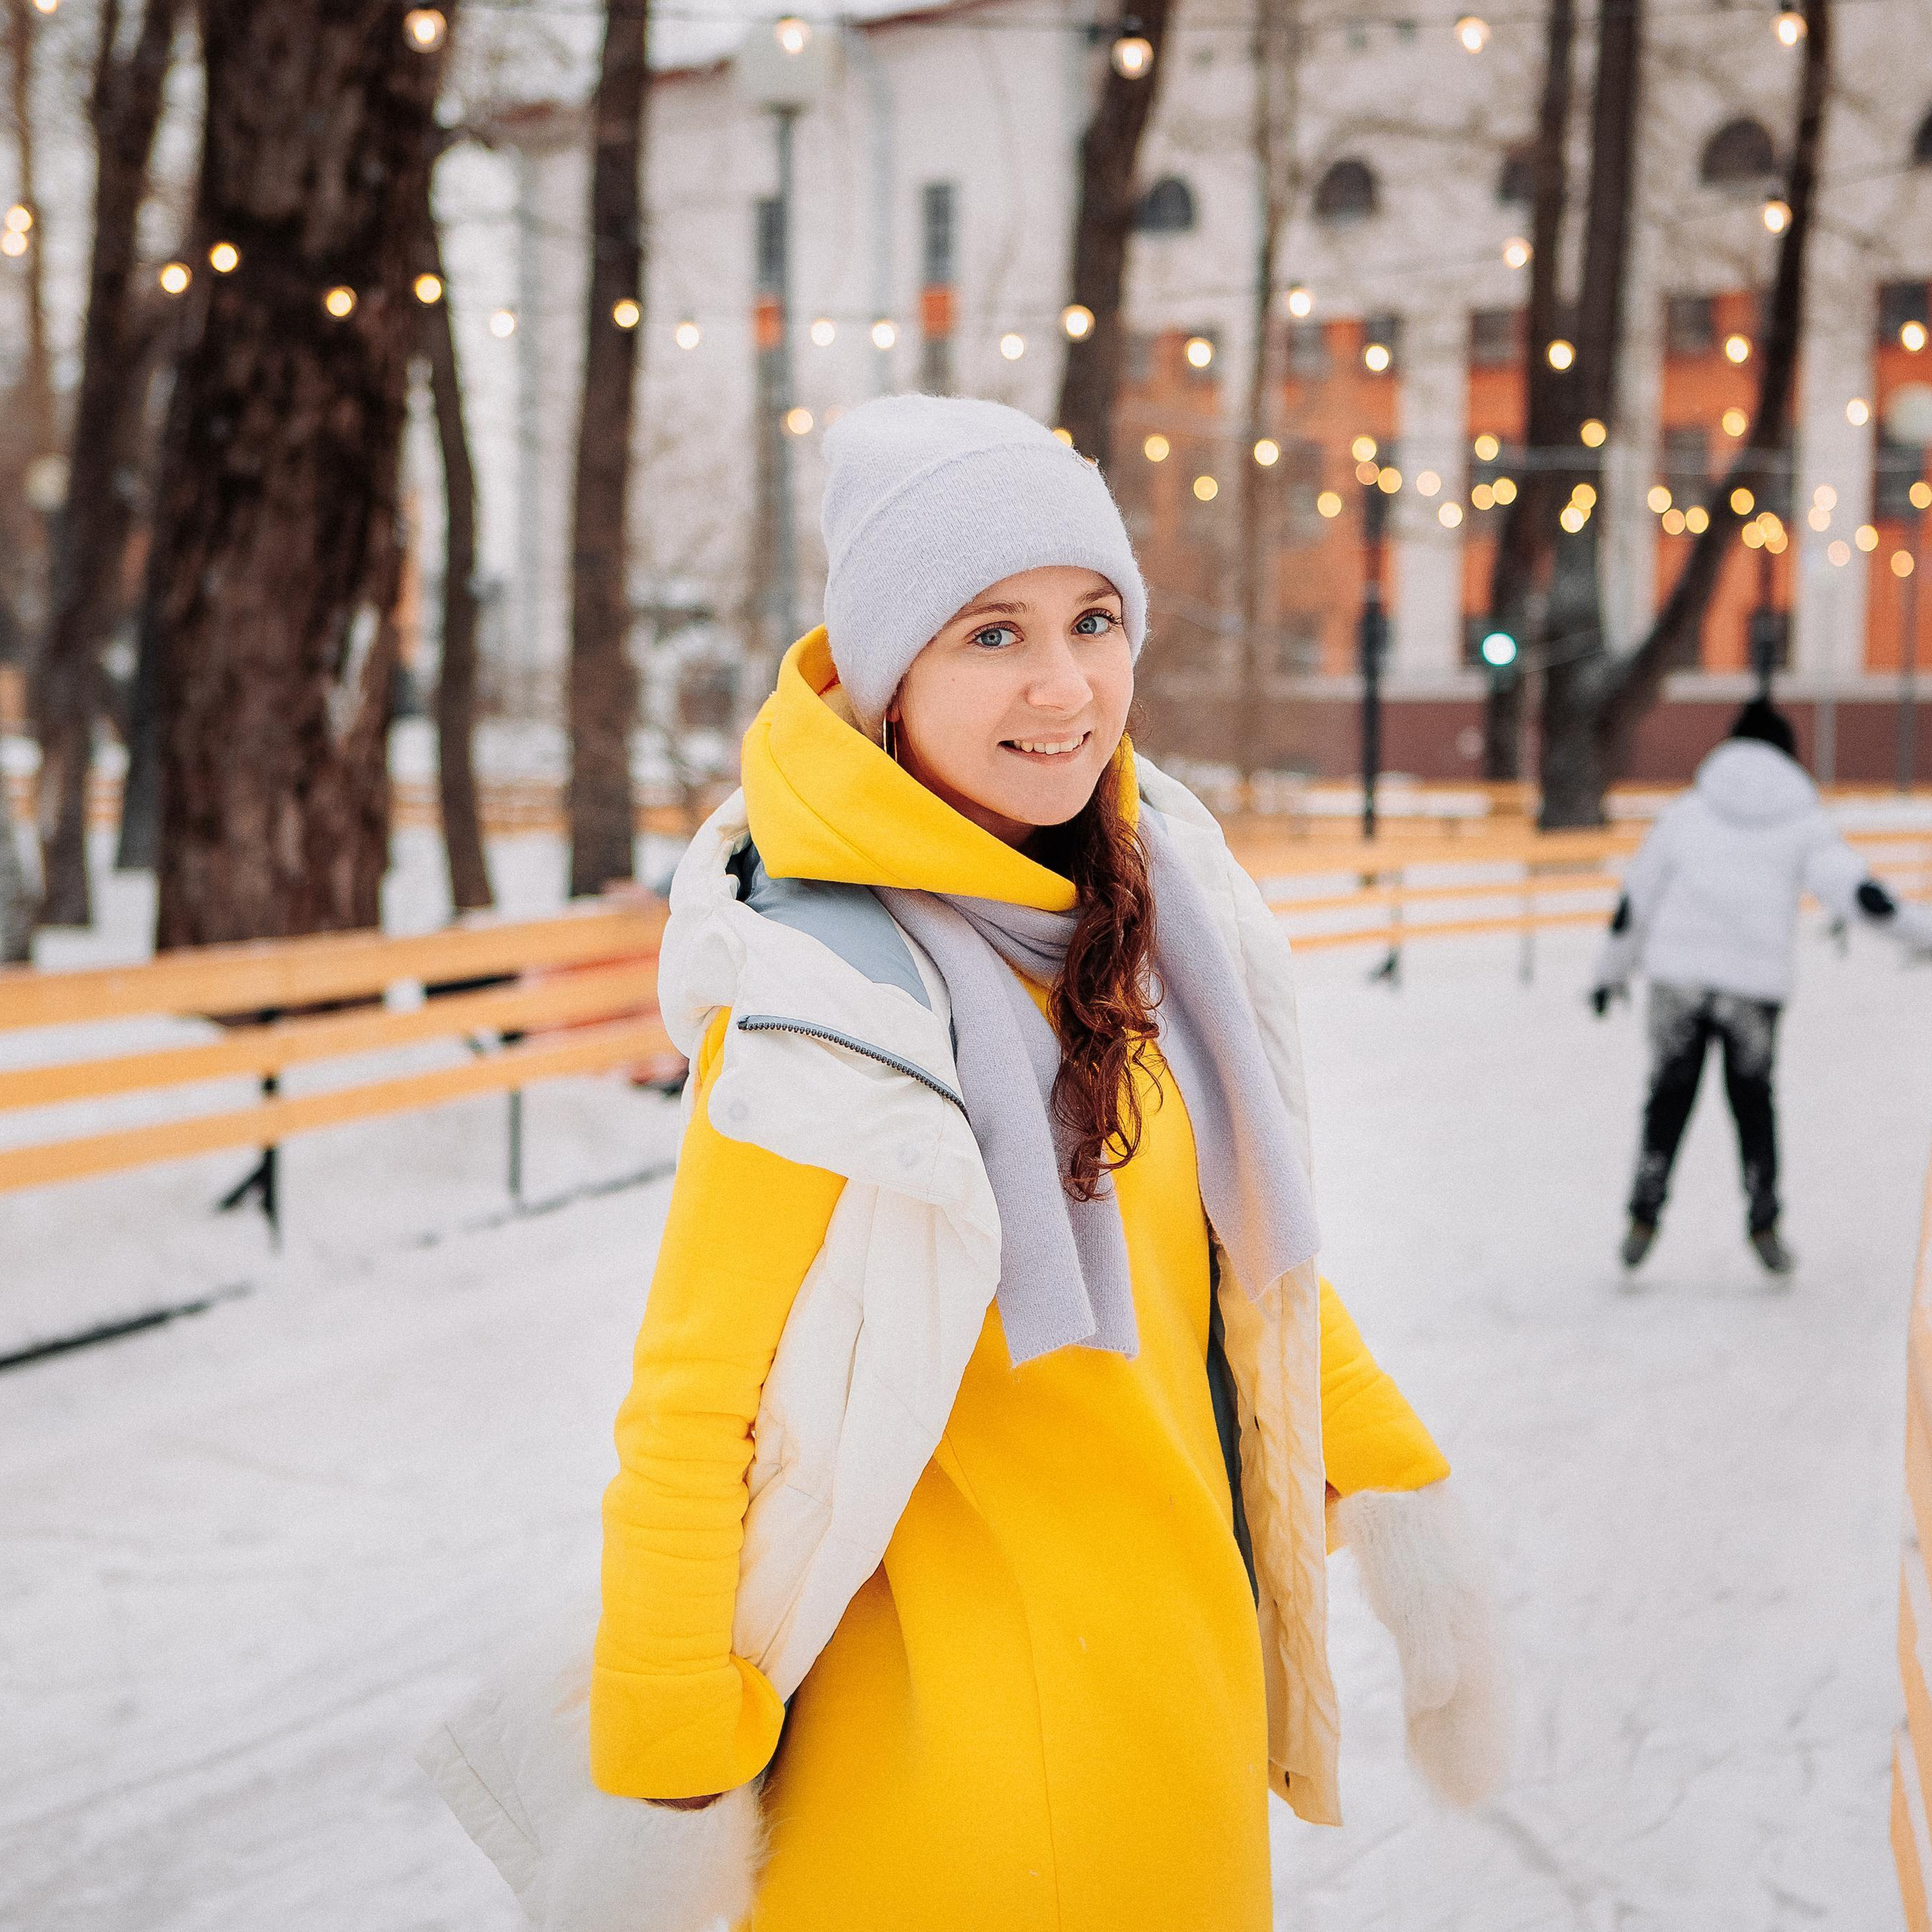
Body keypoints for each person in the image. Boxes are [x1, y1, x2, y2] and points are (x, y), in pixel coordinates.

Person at [420, 396, 1506, 1932]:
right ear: (887, 680)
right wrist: (664, 1764)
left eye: (1091, 619)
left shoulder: (1143, 926)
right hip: (947, 1741)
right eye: (987, 633)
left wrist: (1394, 1477)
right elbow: (692, 1398)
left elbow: (1231, 1251)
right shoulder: (826, 994)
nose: (1062, 686)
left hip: (1173, 1691)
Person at [1591, 698, 1932, 1275]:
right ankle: (1764, 1219)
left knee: (1668, 1100)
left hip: (1677, 980)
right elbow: (1860, 896)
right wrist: (1922, 931)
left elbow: (1634, 903)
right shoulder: (1803, 821)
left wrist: (1609, 973)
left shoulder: (1686, 812)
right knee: (1752, 1105)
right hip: (1752, 988)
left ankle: (1643, 1215)